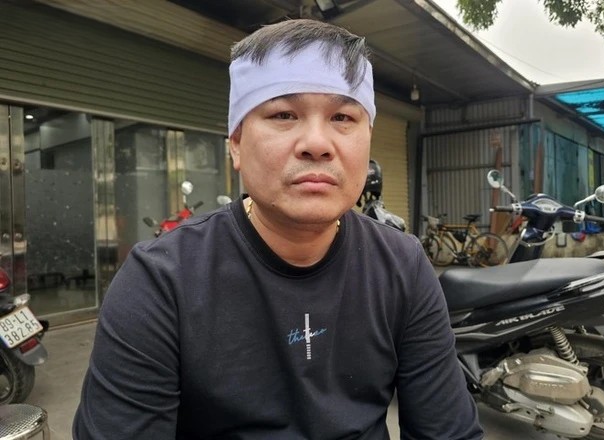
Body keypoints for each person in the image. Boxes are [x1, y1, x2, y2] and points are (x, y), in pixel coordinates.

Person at [73, 18, 484, 439]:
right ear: (236, 143)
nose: (317, 143)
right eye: (284, 114)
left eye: (343, 116)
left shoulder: (402, 266)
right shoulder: (161, 281)